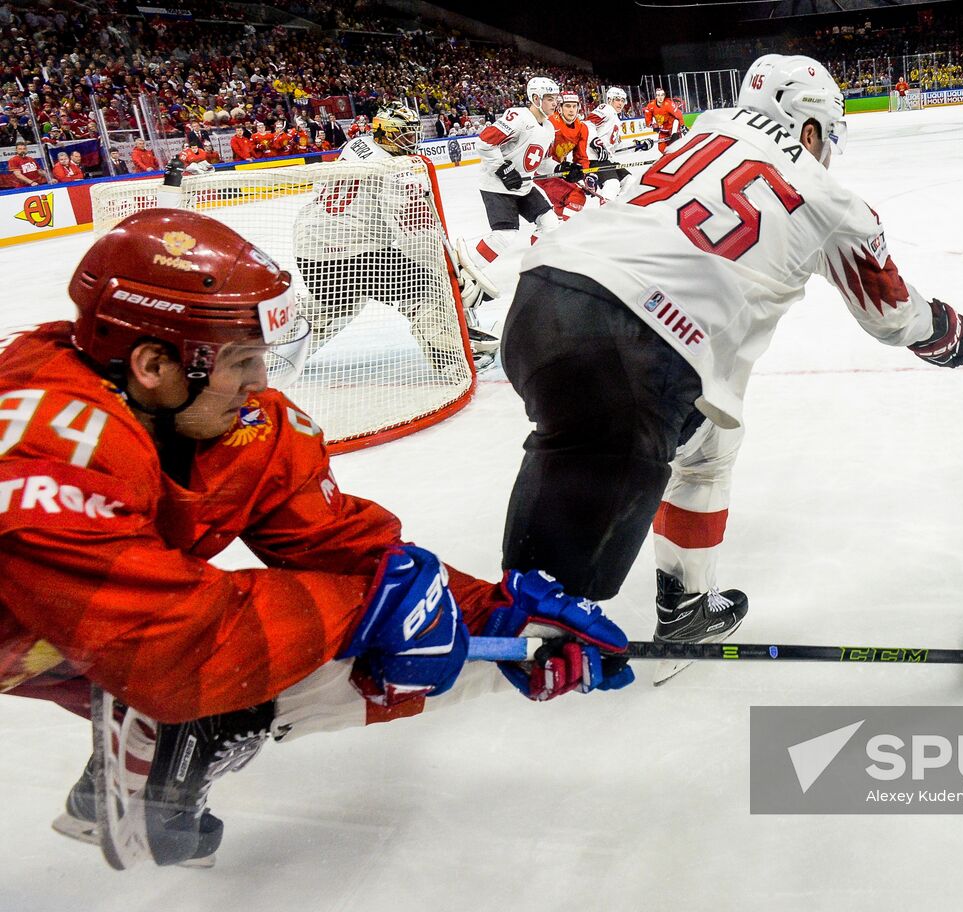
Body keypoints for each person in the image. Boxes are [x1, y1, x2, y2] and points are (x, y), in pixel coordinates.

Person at [0, 208, 633, 868]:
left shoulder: (230, 422)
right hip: (59, 629)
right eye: (243, 361)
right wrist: (374, 612)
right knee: (290, 642)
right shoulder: (43, 448)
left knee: (376, 624)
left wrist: (495, 616)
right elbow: (170, 647)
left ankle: (172, 739)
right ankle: (183, 732)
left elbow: (344, 546)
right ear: (154, 363)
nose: (261, 385)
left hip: (69, 626)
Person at [498, 54, 963, 684]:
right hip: (640, 341)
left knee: (699, 439)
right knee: (551, 603)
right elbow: (889, 314)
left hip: (539, 301)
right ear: (809, 127)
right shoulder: (829, 195)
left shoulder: (699, 132)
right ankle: (527, 633)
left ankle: (670, 602)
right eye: (827, 133)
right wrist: (940, 328)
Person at [292, 101, 485, 376]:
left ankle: (273, 352)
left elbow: (321, 186)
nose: (411, 141)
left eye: (412, 133)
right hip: (351, 252)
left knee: (336, 306)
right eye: (403, 134)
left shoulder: (357, 144)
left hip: (309, 247)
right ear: (384, 134)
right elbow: (415, 235)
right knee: (425, 287)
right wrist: (449, 270)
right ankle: (452, 360)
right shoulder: (395, 170)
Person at [465, 76, 581, 270]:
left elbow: (542, 162)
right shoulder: (518, 117)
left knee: (549, 222)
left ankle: (541, 265)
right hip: (497, 186)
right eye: (550, 99)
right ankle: (467, 273)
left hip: (523, 187)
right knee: (504, 234)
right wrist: (502, 168)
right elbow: (485, 142)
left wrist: (562, 170)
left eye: (556, 98)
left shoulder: (550, 128)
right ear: (536, 99)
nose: (556, 103)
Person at [537, 91, 592, 222]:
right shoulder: (549, 123)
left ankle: (553, 232)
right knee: (576, 196)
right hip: (542, 171)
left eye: (574, 106)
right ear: (559, 107)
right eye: (567, 106)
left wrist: (586, 175)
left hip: (560, 171)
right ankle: (568, 233)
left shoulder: (582, 127)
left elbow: (581, 157)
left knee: (561, 205)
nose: (571, 110)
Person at [585, 86, 645, 201]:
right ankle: (606, 214)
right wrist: (595, 141)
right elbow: (587, 124)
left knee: (629, 181)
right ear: (609, 100)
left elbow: (617, 146)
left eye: (623, 100)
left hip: (606, 159)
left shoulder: (616, 119)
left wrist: (638, 145)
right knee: (612, 183)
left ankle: (617, 207)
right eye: (617, 99)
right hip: (594, 158)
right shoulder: (606, 109)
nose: (620, 103)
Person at [644, 87, 684, 154]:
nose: (660, 97)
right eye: (658, 95)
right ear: (656, 96)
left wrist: (682, 126)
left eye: (662, 95)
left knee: (675, 146)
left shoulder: (668, 104)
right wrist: (652, 125)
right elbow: (648, 119)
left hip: (673, 128)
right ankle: (669, 159)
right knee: (661, 148)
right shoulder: (650, 106)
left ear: (664, 95)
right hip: (663, 130)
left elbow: (678, 114)